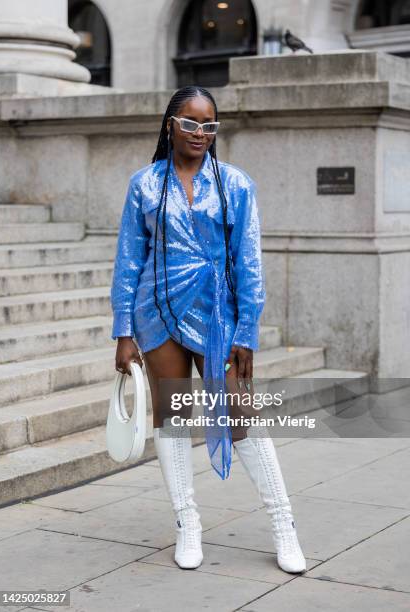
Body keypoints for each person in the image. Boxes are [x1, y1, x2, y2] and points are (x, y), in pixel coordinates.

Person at [110, 85, 306, 573]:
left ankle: (284, 525)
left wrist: (247, 331)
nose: (201, 133)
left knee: (242, 419)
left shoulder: (235, 184)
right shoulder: (145, 184)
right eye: (192, 123)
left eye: (210, 125)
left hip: (218, 316)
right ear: (171, 124)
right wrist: (123, 331)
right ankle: (187, 523)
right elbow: (129, 261)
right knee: (171, 418)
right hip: (155, 314)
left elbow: (249, 263)